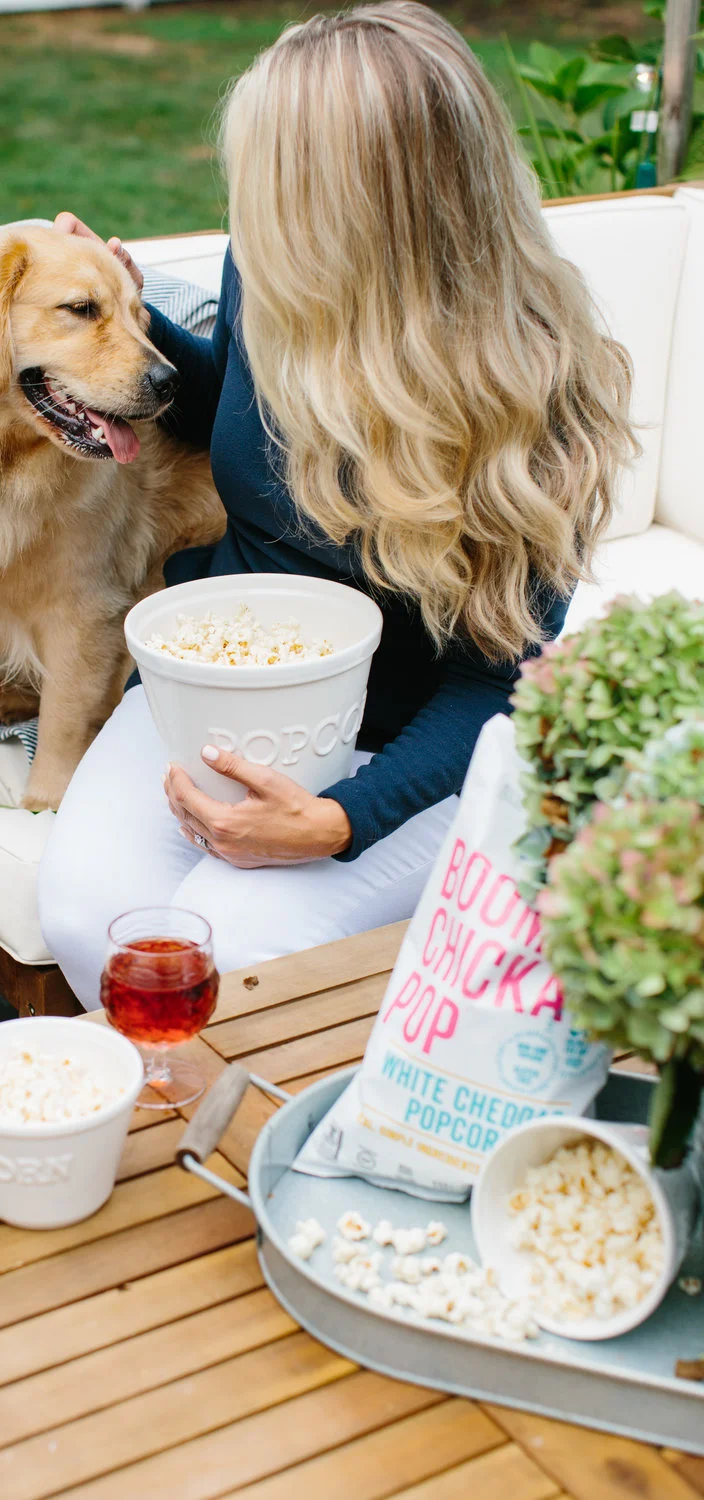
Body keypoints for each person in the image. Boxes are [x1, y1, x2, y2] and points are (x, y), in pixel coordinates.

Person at [37, 1, 635, 1009]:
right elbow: (240, 401)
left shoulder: (539, 385)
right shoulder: (268, 273)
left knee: (231, 954)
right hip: (229, 686)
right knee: (90, 919)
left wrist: (341, 820)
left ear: (365, 211)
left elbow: (497, 680)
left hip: (409, 746)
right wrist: (131, 324)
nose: (246, 206)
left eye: (271, 181)